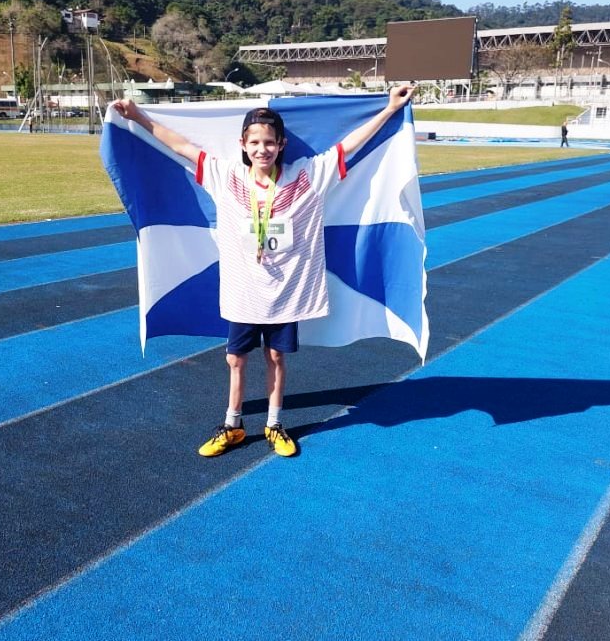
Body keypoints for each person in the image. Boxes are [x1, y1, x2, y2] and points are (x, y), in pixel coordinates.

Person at [112, 84, 416, 458]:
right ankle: (232, 425)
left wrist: (388, 109)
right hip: (243, 292)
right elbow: (180, 145)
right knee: (235, 359)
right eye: (255, 142)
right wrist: (138, 116)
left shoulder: (307, 175)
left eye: (269, 142)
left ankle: (274, 424)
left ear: (281, 144)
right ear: (242, 144)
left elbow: (348, 146)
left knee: (275, 357)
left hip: (286, 292)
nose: (262, 149)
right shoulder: (225, 176)